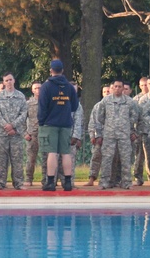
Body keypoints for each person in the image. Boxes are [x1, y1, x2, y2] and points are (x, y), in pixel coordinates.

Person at [37, 59, 78, 192]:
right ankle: (67, 182)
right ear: (62, 70)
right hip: (65, 123)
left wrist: (42, 121)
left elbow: (42, 107)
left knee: (52, 153)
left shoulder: (46, 86)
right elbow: (75, 106)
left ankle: (50, 182)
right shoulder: (69, 87)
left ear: (51, 70)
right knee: (66, 153)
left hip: (50, 123)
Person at [96, 79, 140, 190]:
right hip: (109, 135)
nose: (117, 88)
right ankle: (105, 182)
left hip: (124, 135)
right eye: (115, 86)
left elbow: (135, 117)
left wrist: (129, 128)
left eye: (120, 86)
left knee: (125, 159)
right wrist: (103, 130)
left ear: (122, 88)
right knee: (107, 159)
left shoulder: (130, 102)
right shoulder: (105, 101)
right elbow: (100, 117)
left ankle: (126, 182)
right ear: (112, 87)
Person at [0, 73, 28, 190]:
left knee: (17, 159)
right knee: (0, 159)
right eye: (6, 80)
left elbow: (24, 113)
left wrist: (13, 126)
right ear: (4, 82)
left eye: (10, 80)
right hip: (2, 133)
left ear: (14, 80)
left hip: (16, 133)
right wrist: (6, 125)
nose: (9, 82)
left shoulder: (20, 96)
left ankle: (19, 183)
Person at [85, 86, 108, 186]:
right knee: (96, 157)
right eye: (104, 91)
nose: (106, 93)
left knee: (111, 160)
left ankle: (110, 180)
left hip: (112, 137)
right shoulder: (97, 106)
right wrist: (92, 135)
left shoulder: (115, 106)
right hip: (99, 136)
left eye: (108, 91)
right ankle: (91, 178)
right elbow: (92, 122)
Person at [24, 82, 45, 186]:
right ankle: (28, 178)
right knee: (31, 158)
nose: (38, 90)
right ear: (32, 90)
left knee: (46, 157)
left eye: (40, 88)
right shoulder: (28, 104)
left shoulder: (47, 102)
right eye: (36, 88)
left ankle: (46, 178)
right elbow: (22, 119)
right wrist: (25, 133)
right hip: (32, 134)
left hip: (45, 133)